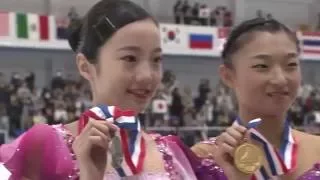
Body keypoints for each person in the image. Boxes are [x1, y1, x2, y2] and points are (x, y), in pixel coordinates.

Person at [0, 0, 249, 179]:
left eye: (156, 60)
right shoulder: (44, 145)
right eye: (130, 59)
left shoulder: (173, 152)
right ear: (86, 66)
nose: (147, 75)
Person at [192, 18, 320, 179]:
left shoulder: (317, 148)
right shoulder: (204, 158)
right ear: (228, 76)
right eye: (262, 66)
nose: (280, 79)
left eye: (291, 64)